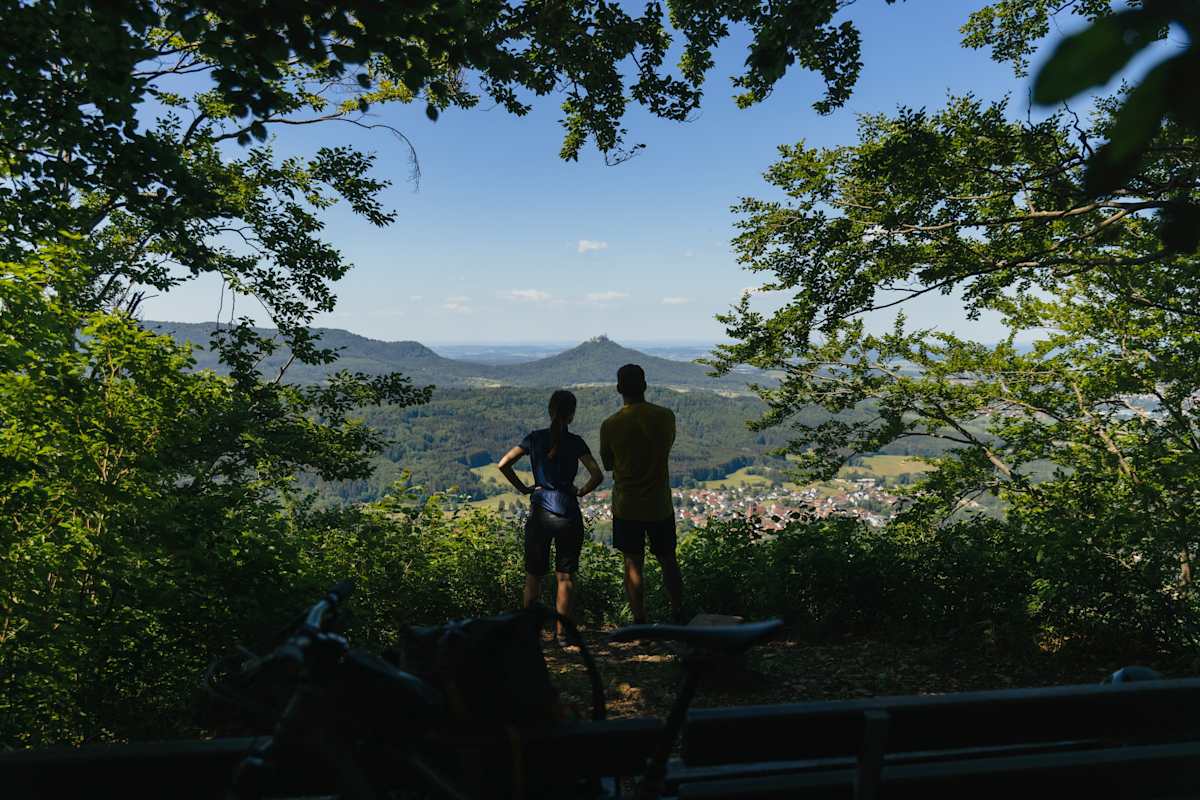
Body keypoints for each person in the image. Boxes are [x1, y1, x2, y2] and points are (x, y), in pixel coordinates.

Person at [497, 389, 603, 647]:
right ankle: (563, 636)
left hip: (540, 511)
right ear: (572, 415)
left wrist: (523, 488)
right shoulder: (577, 442)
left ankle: (529, 634)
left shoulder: (533, 438)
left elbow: (503, 463)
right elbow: (597, 474)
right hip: (567, 512)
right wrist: (580, 491)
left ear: (550, 411)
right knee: (565, 577)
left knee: (534, 575)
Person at [599, 364, 685, 625]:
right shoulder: (665, 416)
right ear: (645, 386)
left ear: (618, 389)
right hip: (659, 504)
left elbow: (609, 464)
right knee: (668, 559)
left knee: (633, 564)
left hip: (627, 505)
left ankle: (640, 620)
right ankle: (679, 613)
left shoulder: (610, 425)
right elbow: (666, 446)